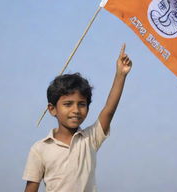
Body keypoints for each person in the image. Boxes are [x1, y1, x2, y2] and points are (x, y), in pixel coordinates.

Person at [22, 44, 132, 192]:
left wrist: (120, 75)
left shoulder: (90, 139)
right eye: (68, 104)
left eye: (82, 104)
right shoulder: (40, 149)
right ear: (52, 109)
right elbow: (31, 188)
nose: (76, 110)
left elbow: (109, 110)